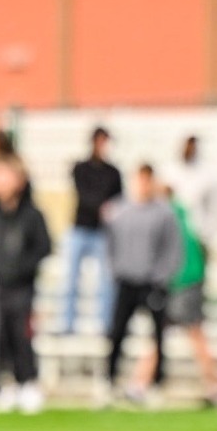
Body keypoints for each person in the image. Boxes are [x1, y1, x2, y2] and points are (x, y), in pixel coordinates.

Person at [136, 183, 217, 407]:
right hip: (187, 281)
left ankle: (214, 387)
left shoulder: (168, 217)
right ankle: (140, 382)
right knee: (177, 335)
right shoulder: (183, 216)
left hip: (181, 283)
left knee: (191, 335)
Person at [101, 165, 181, 405]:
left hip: (152, 282)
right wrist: (115, 270)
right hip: (127, 280)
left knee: (157, 336)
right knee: (117, 332)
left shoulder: (164, 213)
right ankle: (109, 380)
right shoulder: (120, 210)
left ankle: (156, 384)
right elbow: (110, 244)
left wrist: (163, 276)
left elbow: (173, 248)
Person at [0, 155, 51, 413]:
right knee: (1, 335)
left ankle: (29, 383)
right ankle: (6, 383)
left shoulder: (32, 215)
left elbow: (43, 247)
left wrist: (20, 269)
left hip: (23, 286)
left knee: (22, 334)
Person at [60, 126, 122, 336]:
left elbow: (118, 201)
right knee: (71, 280)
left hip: (102, 232)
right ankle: (68, 324)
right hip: (81, 229)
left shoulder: (113, 172)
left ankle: (105, 324)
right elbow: (84, 196)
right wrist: (101, 208)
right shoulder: (82, 168)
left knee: (106, 281)